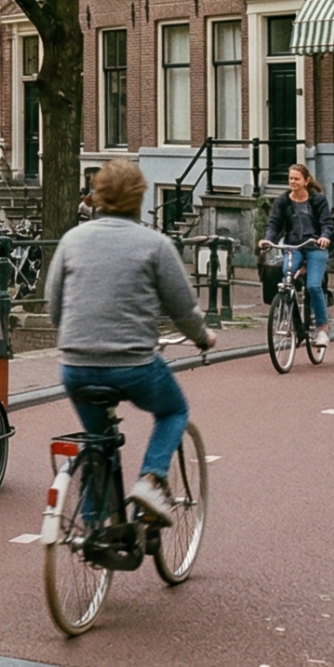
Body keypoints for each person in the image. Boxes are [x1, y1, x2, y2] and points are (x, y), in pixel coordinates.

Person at [49, 159, 215, 520]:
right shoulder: (155, 244)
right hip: (133, 366)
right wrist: (203, 337)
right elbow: (183, 309)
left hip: (76, 366)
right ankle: (151, 480)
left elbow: (54, 306)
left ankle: (91, 531)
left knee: (99, 443)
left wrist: (76, 336)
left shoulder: (71, 240)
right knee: (174, 410)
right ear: (139, 197)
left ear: (98, 195)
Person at [260, 163, 334, 346]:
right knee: (286, 278)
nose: (292, 182)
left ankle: (322, 328)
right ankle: (292, 320)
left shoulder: (318, 200)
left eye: (296, 179)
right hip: (294, 246)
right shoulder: (283, 201)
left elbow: (327, 223)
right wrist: (267, 240)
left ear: (306, 181)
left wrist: (324, 237)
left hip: (315, 246)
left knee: (314, 286)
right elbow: (274, 223)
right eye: (290, 178)